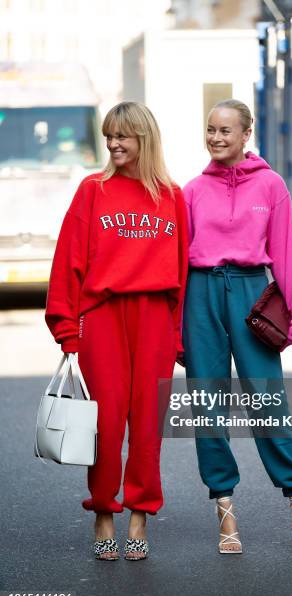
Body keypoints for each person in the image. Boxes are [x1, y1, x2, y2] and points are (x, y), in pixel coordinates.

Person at [182, 99, 292, 558]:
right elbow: (177, 262)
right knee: (208, 407)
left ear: (247, 135)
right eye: (211, 129)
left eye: (226, 130)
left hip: (250, 294)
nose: (216, 137)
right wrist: (175, 327)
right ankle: (225, 513)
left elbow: (284, 252)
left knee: (267, 403)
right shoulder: (191, 191)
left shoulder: (271, 185)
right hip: (201, 294)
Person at [45, 101, 188, 561]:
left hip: (153, 319)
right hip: (102, 318)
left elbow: (183, 270)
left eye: (122, 136)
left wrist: (179, 334)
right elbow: (67, 261)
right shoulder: (93, 190)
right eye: (109, 136)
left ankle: (139, 518)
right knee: (104, 425)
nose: (112, 144)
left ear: (143, 138)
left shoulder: (171, 195)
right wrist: (67, 330)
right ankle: (104, 514)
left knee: (147, 425)